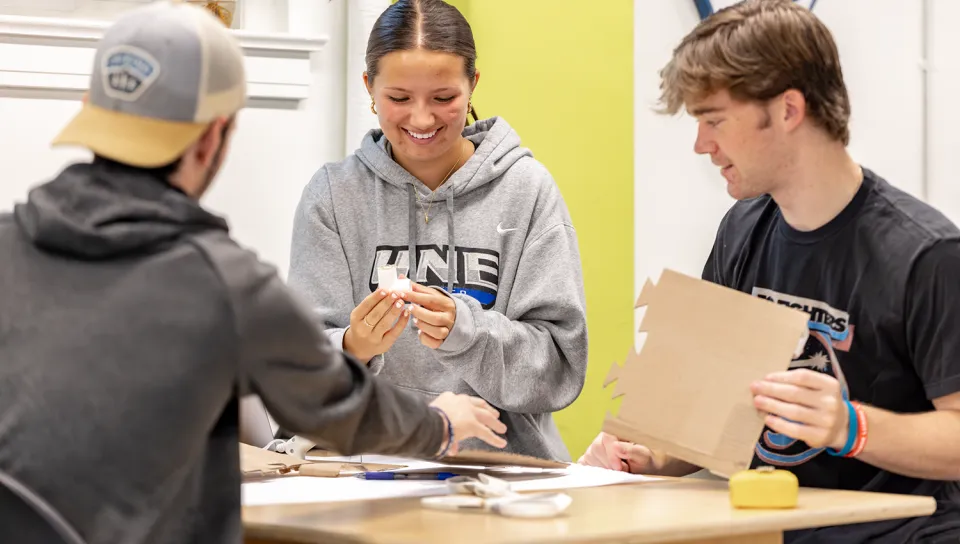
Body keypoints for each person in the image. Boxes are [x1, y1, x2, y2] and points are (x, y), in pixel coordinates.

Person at [0, 2, 508, 543]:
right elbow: (341, 408)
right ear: (214, 134)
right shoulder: (224, 283)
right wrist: (443, 424)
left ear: (91, 114)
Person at [578, 1, 960, 542]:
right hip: (767, 530)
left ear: (787, 111)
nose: (701, 144)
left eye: (714, 120)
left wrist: (852, 427)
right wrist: (650, 453)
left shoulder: (928, 255)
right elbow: (709, 418)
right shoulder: (741, 228)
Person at [288, 0, 588, 461]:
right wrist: (353, 346)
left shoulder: (526, 190)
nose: (422, 119)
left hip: (502, 476)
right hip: (366, 471)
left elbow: (559, 373)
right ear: (369, 88)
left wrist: (466, 332)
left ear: (473, 86)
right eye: (400, 98)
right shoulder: (332, 195)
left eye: (444, 98)